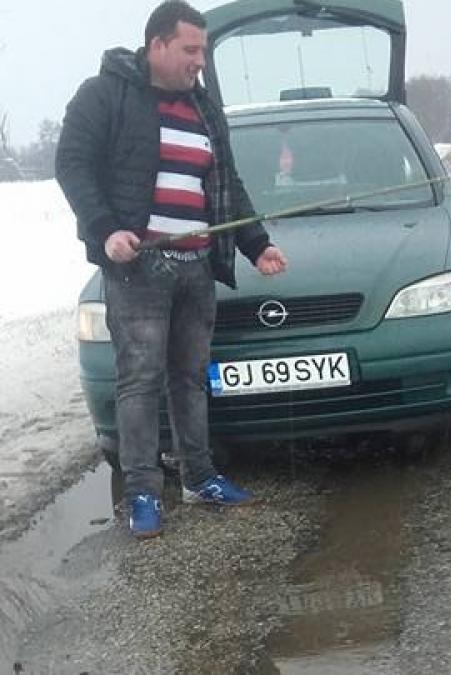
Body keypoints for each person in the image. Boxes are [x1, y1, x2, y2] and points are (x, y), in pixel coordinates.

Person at [56, 1, 289, 539]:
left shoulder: (204, 108)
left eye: (203, 51)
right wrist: (105, 228)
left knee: (191, 378)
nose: (199, 62)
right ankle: (142, 491)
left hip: (196, 265)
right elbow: (72, 163)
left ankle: (199, 476)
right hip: (139, 267)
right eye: (190, 50)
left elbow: (227, 185)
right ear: (156, 44)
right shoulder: (105, 94)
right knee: (139, 382)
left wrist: (256, 244)